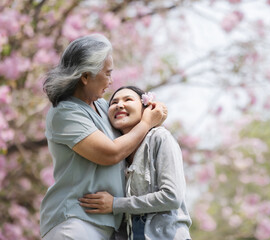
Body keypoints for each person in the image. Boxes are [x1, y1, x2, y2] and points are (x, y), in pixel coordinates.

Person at [40, 34, 167, 240]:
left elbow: (129, 134)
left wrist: (150, 109)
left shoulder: (101, 106)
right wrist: (146, 123)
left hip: (105, 227)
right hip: (75, 222)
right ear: (85, 76)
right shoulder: (65, 113)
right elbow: (111, 153)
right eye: (107, 74)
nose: (111, 81)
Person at [79, 86, 192, 240]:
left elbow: (171, 197)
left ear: (146, 108)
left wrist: (115, 204)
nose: (119, 105)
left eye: (128, 100)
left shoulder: (160, 138)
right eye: (114, 102)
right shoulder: (116, 151)